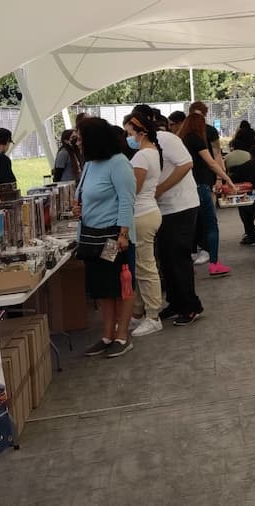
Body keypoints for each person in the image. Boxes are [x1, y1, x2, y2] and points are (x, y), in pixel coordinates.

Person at [132, 104, 204, 326]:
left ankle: (190, 306)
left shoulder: (166, 139)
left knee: (178, 257)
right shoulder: (145, 146)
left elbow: (186, 164)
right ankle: (175, 302)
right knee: (166, 258)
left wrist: (160, 189)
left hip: (181, 205)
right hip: (161, 208)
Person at [76, 117, 137, 358]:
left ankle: (122, 335)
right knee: (102, 288)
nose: (78, 142)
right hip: (92, 237)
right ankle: (107, 335)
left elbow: (126, 200)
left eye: (81, 138)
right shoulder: (90, 165)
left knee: (120, 285)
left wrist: (124, 233)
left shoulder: (119, 163)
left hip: (112, 238)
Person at [177, 111, 236, 276]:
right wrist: (227, 179)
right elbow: (211, 162)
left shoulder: (180, 140)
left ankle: (187, 264)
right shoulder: (197, 140)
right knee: (211, 224)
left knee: (190, 227)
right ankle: (214, 263)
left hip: (184, 189)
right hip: (201, 187)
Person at [124, 114, 164, 338]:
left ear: (142, 133)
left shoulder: (142, 156)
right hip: (146, 212)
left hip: (142, 214)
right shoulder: (152, 153)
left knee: (145, 268)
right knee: (141, 267)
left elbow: (134, 189)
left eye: (129, 133)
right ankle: (140, 312)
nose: (128, 137)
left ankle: (153, 316)